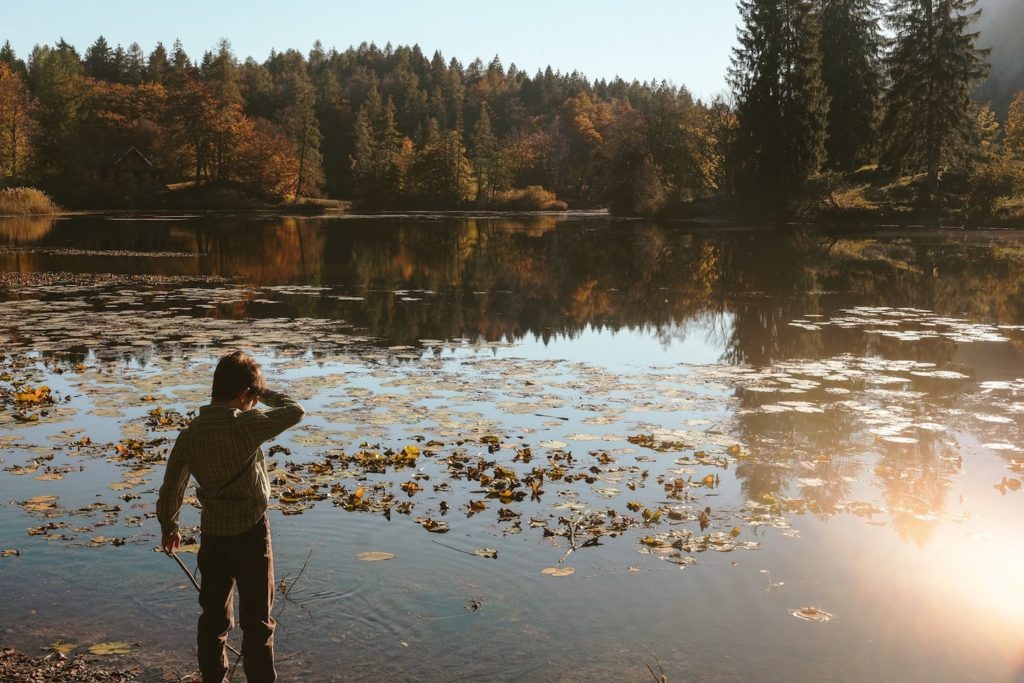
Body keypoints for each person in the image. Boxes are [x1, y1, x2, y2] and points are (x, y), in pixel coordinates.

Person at [157, 350, 304, 683]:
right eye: (252, 396)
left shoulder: (190, 434)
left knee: (213, 620)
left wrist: (170, 527)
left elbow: (172, 488)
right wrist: (264, 392)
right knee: (257, 624)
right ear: (245, 394)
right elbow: (295, 410)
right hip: (251, 535)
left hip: (213, 538)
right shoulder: (246, 424)